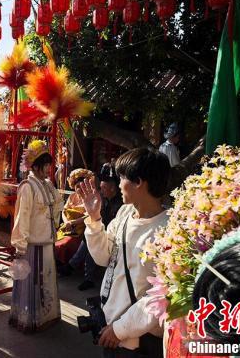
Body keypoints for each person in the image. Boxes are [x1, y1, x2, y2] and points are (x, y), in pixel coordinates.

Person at [76, 148, 170, 357]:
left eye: (122, 177)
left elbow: (162, 297)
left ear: (139, 182)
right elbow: (104, 257)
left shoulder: (169, 230)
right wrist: (94, 219)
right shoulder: (126, 213)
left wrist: (120, 329)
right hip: (110, 328)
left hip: (136, 341)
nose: (118, 184)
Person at [10, 140, 64, 333]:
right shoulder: (27, 186)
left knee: (47, 280)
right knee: (34, 282)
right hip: (32, 245)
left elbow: (57, 204)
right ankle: (30, 319)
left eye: (50, 165)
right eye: (45, 165)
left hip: (47, 242)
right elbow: (22, 216)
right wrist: (20, 245)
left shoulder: (48, 184)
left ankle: (46, 316)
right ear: (34, 166)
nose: (49, 169)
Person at [60, 174, 123, 291]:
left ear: (112, 189)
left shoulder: (120, 204)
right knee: (88, 240)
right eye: (101, 188)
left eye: (104, 188)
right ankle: (78, 271)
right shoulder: (102, 200)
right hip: (99, 230)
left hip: (110, 234)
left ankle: (73, 268)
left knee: (91, 245)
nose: (101, 191)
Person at [55, 168, 95, 267]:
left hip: (81, 230)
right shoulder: (72, 196)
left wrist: (73, 222)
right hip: (67, 226)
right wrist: (67, 222)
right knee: (54, 241)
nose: (79, 189)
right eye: (77, 186)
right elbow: (64, 211)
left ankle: (66, 265)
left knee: (64, 244)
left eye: (82, 186)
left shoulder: (90, 197)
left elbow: (88, 216)